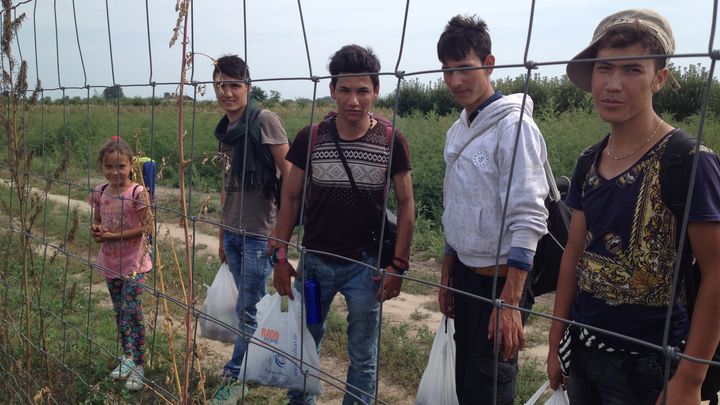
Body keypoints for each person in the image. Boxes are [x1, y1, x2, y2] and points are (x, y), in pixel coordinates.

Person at [546, 9, 720, 405]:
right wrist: (557, 339)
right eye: (604, 68)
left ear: (659, 78)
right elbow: (573, 255)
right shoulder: (589, 161)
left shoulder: (689, 160)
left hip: (655, 365)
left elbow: (716, 272)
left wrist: (690, 379)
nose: (613, 85)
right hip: (586, 351)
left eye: (632, 70)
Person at [271, 44, 415, 405]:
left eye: (363, 90)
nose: (354, 100)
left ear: (376, 92)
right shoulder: (311, 137)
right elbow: (289, 199)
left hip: (364, 270)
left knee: (363, 356)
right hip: (316, 269)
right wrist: (279, 255)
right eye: (345, 90)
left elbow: (407, 203)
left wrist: (398, 265)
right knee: (306, 341)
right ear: (332, 90)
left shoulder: (391, 140)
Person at [436, 15, 550, 405]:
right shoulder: (458, 129)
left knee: (490, 386)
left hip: (502, 283)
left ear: (488, 64)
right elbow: (455, 204)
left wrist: (511, 301)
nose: (455, 81)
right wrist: (448, 267)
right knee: (466, 381)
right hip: (466, 277)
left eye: (464, 69)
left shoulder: (513, 127)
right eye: (447, 71)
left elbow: (529, 214)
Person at [211, 54, 291, 404]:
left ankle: (238, 372)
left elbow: (290, 175)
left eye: (233, 85)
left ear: (248, 86)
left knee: (249, 305)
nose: (226, 92)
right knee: (248, 304)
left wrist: (282, 234)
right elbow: (227, 183)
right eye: (220, 85)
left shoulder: (264, 120)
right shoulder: (226, 128)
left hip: (260, 231)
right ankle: (252, 361)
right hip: (233, 230)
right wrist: (220, 231)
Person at [90, 136, 152, 391]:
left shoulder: (138, 192)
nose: (115, 172)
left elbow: (147, 227)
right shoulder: (100, 192)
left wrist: (110, 236)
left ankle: (139, 364)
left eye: (121, 166)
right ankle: (127, 356)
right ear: (101, 167)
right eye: (109, 166)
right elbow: (98, 219)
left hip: (134, 264)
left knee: (132, 312)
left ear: (131, 166)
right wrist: (97, 230)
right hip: (109, 263)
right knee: (120, 312)